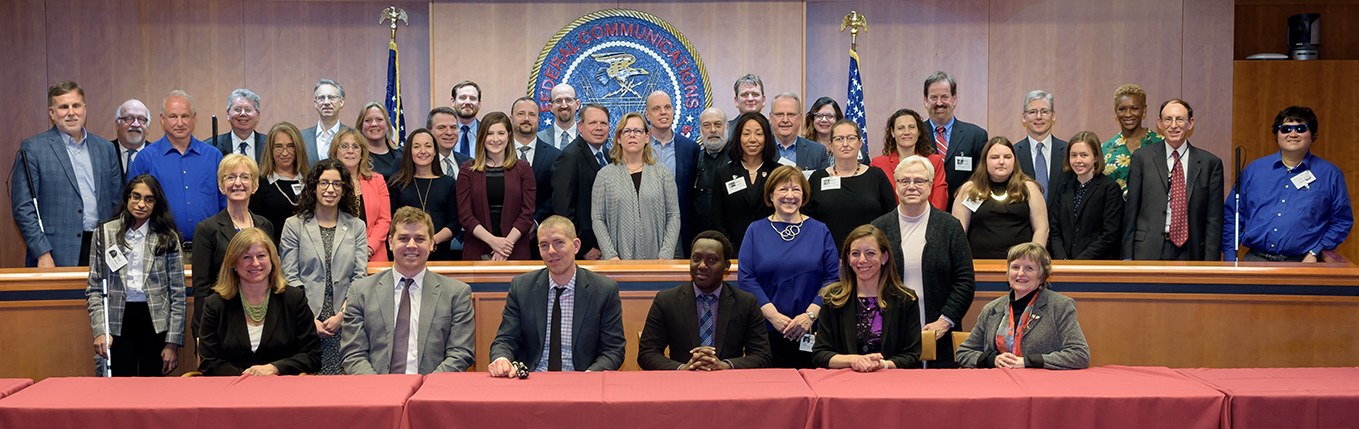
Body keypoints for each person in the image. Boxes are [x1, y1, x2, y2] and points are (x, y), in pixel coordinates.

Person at [341, 207, 476, 374]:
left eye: (419, 239)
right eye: (404, 238)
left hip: (430, 392)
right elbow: (353, 354)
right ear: (390, 242)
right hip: (377, 392)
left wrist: (426, 389)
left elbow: (461, 354)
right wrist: (379, 390)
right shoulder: (361, 291)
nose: (411, 245)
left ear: (431, 244)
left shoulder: (456, 294)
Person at [871, 155, 976, 368]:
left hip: (939, 331)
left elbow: (964, 281)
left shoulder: (949, 227)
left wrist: (945, 321)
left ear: (930, 186)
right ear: (896, 185)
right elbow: (868, 280)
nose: (912, 186)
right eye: (905, 181)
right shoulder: (878, 228)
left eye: (919, 181)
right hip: (891, 331)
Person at [488, 215, 626, 375]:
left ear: (576, 245)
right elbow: (505, 340)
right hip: (532, 379)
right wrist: (502, 359)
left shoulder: (603, 290)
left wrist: (589, 376)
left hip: (582, 380)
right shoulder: (522, 287)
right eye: (544, 245)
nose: (551, 252)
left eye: (558, 243)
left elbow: (613, 350)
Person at [737, 165, 839, 369]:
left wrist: (809, 316)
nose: (790, 195)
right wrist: (774, 317)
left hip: (811, 329)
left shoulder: (820, 230)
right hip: (766, 330)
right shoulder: (755, 231)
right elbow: (746, 278)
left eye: (796, 189)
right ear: (771, 195)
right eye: (783, 189)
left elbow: (832, 279)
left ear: (804, 195)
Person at [11, 81, 122, 267]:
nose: (71, 112)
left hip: (102, 250)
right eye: (63, 107)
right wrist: (42, 253)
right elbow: (24, 208)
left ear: (85, 110)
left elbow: (117, 203)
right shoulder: (33, 148)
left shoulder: (106, 148)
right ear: (52, 113)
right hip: (54, 252)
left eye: (76, 106)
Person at [86, 175, 185, 376]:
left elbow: (178, 294)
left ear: (156, 204)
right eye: (136, 197)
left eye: (149, 199)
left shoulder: (167, 237)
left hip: (155, 323)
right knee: (119, 388)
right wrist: (100, 331)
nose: (141, 204)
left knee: (153, 390)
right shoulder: (105, 233)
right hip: (117, 322)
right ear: (127, 198)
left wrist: (173, 343)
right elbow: (95, 289)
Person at [1225, 106, 1353, 262]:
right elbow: (1233, 215)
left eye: (1300, 128)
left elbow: (1341, 221)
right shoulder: (1254, 170)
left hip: (1303, 265)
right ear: (1277, 135)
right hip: (1255, 261)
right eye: (1286, 129)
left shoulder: (1330, 175)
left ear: (1312, 135)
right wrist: (1231, 258)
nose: (1293, 134)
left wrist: (1315, 251)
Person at [280, 159, 368, 375]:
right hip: (305, 319)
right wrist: (309, 319)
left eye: (337, 184)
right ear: (313, 186)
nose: (331, 189)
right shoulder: (294, 225)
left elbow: (359, 277)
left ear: (344, 189)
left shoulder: (357, 226)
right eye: (324, 183)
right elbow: (290, 277)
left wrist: (343, 315)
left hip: (345, 320)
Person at [638, 231, 772, 370]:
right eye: (696, 258)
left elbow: (762, 355)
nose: (702, 265)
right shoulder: (666, 300)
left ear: (726, 266)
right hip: (682, 384)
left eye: (712, 260)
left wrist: (726, 366)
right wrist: (682, 368)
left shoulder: (746, 302)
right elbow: (647, 353)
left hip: (728, 383)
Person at [197, 228, 321, 376]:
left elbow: (312, 355)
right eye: (246, 257)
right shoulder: (215, 305)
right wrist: (247, 376)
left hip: (283, 388)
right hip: (232, 389)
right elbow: (208, 361)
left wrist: (275, 368)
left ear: (272, 260)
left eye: (261, 255)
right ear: (234, 263)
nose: (255, 263)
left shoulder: (294, 299)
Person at [956, 243, 1089, 370]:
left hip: (1042, 384)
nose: (1020, 273)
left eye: (1029, 268)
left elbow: (1079, 355)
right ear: (1008, 273)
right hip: (998, 383)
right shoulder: (991, 309)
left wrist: (1027, 362)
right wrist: (993, 360)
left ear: (1042, 275)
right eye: (1015, 267)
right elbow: (964, 353)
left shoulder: (1060, 306)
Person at [1122, 99, 1224, 261]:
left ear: (1190, 123)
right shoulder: (1142, 158)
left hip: (1191, 251)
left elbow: (1214, 220)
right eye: (1168, 119)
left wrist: (1210, 262)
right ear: (1159, 123)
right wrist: (1127, 257)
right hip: (1148, 250)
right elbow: (1131, 212)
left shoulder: (1210, 164)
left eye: (1179, 119)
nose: (1173, 125)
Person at [812, 224, 923, 371]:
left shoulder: (906, 300)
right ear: (848, 258)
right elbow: (820, 355)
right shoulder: (832, 299)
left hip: (891, 383)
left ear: (884, 257)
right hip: (844, 384)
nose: (862, 260)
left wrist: (880, 365)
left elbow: (911, 356)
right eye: (855, 253)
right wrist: (855, 360)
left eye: (870, 253)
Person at [192, 154, 274, 340]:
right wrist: (202, 332)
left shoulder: (265, 226)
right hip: (222, 322)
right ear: (221, 186)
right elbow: (202, 287)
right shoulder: (207, 229)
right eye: (230, 177)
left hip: (262, 319)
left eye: (245, 177)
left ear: (255, 186)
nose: (238, 183)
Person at [128, 90, 225, 244]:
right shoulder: (145, 158)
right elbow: (134, 208)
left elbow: (224, 204)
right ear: (162, 119)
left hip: (209, 248)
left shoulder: (214, 157)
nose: (179, 123)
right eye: (173, 116)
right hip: (161, 249)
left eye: (185, 116)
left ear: (194, 118)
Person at [591, 112, 681, 260]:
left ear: (647, 137)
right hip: (617, 262)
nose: (632, 135)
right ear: (618, 138)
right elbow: (598, 219)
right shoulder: (604, 176)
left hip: (658, 260)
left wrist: (665, 255)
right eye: (626, 131)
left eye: (638, 131)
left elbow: (673, 216)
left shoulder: (663, 173)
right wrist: (611, 255)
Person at [456, 112, 536, 261]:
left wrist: (505, 246)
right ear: (481, 137)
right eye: (490, 134)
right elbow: (465, 215)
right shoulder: (467, 170)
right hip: (477, 250)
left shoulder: (524, 169)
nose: (495, 139)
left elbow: (527, 214)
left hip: (515, 249)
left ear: (509, 136)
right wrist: (493, 242)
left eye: (501, 133)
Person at [952, 137, 1049, 259]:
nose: (1001, 162)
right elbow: (958, 232)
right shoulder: (969, 190)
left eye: (1007, 157)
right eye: (995, 157)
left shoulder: (1029, 188)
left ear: (1014, 161)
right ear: (985, 161)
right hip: (978, 265)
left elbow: (1042, 228)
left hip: (1021, 267)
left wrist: (1033, 260)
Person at [806, 120, 896, 252]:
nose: (845, 144)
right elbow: (808, 221)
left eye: (850, 138)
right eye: (839, 139)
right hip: (828, 257)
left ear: (860, 143)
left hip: (871, 257)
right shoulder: (817, 178)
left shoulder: (877, 176)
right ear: (830, 145)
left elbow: (891, 219)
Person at [1048, 131, 1123, 260]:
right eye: (1073, 155)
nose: (1078, 160)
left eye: (1084, 155)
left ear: (1095, 157)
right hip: (1064, 264)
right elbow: (1055, 230)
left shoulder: (1110, 189)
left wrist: (1080, 261)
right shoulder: (1063, 190)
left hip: (1097, 264)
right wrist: (1062, 260)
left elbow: (1110, 234)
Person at [551, 103, 612, 260]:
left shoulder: (607, 154)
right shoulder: (569, 158)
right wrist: (583, 247)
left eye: (603, 123)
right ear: (580, 127)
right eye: (592, 123)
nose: (598, 128)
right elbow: (563, 211)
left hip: (608, 245)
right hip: (586, 249)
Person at [389, 128, 461, 261]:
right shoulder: (396, 184)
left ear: (435, 152)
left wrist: (432, 241)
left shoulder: (449, 183)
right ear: (409, 152)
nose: (423, 151)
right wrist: (414, 242)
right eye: (417, 146)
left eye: (428, 146)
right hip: (405, 253)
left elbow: (455, 223)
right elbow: (391, 221)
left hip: (440, 254)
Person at [711, 113, 778, 256]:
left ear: (767, 138)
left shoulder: (778, 173)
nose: (752, 139)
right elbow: (717, 220)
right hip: (733, 253)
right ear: (738, 138)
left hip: (773, 251)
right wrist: (732, 251)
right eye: (746, 134)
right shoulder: (723, 174)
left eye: (759, 134)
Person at [645, 91, 701, 256]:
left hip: (678, 230)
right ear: (647, 115)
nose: (663, 112)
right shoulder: (638, 147)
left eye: (667, 107)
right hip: (645, 228)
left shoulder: (691, 148)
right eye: (656, 108)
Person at [922, 71, 989, 205]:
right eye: (934, 97)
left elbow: (981, 179)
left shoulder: (976, 136)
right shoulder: (916, 135)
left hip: (965, 210)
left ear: (954, 99)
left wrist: (965, 210)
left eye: (945, 97)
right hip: (923, 212)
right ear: (926, 100)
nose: (939, 103)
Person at [331, 128, 392, 262]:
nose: (350, 151)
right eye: (344, 146)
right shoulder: (327, 183)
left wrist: (368, 247)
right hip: (337, 256)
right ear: (335, 151)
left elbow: (385, 220)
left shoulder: (377, 180)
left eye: (355, 147)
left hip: (373, 255)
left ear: (362, 152)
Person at [869, 108, 947, 210]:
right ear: (892, 132)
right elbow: (874, 202)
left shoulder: (935, 162)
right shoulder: (878, 164)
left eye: (911, 127)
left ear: (918, 131)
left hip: (929, 222)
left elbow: (940, 200)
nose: (906, 132)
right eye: (901, 128)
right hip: (890, 223)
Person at [249, 122, 311, 246]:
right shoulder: (259, 185)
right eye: (278, 147)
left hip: (308, 253)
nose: (284, 153)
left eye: (290, 146)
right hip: (274, 252)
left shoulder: (311, 182)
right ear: (270, 150)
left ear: (298, 148)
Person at [1101, 84, 1164, 194]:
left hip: (1153, 210)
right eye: (1122, 109)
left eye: (1134, 108)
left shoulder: (1161, 143)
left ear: (1144, 110)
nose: (1128, 114)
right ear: (1116, 111)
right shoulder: (1105, 150)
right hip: (1116, 211)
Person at [510, 96, 560, 223]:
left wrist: (536, 222)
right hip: (502, 234)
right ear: (511, 119)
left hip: (541, 233)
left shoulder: (555, 156)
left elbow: (556, 196)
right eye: (521, 114)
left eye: (531, 115)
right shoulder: (498, 154)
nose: (526, 119)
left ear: (538, 120)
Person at [1012, 90, 1067, 202]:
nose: (1039, 117)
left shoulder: (1068, 152)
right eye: (1032, 112)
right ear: (1024, 117)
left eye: (1044, 111)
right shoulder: (1012, 154)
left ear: (1053, 116)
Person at [769, 93, 830, 172]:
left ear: (800, 118)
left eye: (791, 114)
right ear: (770, 118)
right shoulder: (761, 150)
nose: (785, 120)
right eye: (779, 114)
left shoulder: (818, 152)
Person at [693, 107, 731, 234]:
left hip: (730, 236)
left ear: (727, 128)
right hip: (699, 234)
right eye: (707, 125)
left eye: (718, 125)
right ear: (700, 130)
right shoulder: (693, 159)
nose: (713, 130)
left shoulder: (739, 158)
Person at [803, 96, 868, 163]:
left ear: (838, 119)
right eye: (819, 116)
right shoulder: (803, 148)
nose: (824, 120)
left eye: (830, 116)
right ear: (812, 119)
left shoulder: (852, 147)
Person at [209, 89, 267, 163]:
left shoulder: (269, 145)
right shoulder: (212, 146)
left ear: (257, 115)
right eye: (237, 109)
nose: (243, 113)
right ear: (228, 114)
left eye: (248, 110)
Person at [301, 79, 351, 163]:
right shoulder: (301, 137)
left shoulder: (352, 136)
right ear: (315, 103)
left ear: (341, 102)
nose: (326, 102)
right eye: (321, 98)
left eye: (331, 97)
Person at [356, 102, 403, 180]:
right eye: (368, 120)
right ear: (361, 127)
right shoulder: (356, 156)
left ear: (387, 125)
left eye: (379, 119)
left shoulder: (402, 154)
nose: (374, 124)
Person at [429, 106, 475, 180]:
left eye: (453, 127)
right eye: (441, 127)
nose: (449, 132)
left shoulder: (469, 163)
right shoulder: (422, 164)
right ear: (429, 132)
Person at [537, 83, 581, 150]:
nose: (564, 105)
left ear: (577, 104)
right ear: (550, 107)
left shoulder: (588, 137)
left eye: (568, 100)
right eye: (558, 101)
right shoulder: (538, 139)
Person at [112, 99, 150, 174]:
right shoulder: (105, 153)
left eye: (141, 119)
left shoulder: (157, 155)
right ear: (117, 125)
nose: (136, 124)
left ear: (147, 127)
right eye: (129, 118)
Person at [448, 81, 482, 158]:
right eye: (462, 98)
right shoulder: (444, 133)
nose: (467, 102)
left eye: (472, 98)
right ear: (453, 101)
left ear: (479, 104)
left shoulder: (487, 132)